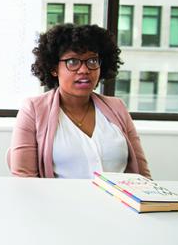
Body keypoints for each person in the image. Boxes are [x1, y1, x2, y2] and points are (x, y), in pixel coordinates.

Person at [9, 23, 150, 179]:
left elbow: (143, 176)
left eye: (92, 61)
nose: (84, 70)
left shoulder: (117, 107)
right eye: (73, 62)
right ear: (54, 68)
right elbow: (24, 181)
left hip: (117, 203)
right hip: (58, 203)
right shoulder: (33, 110)